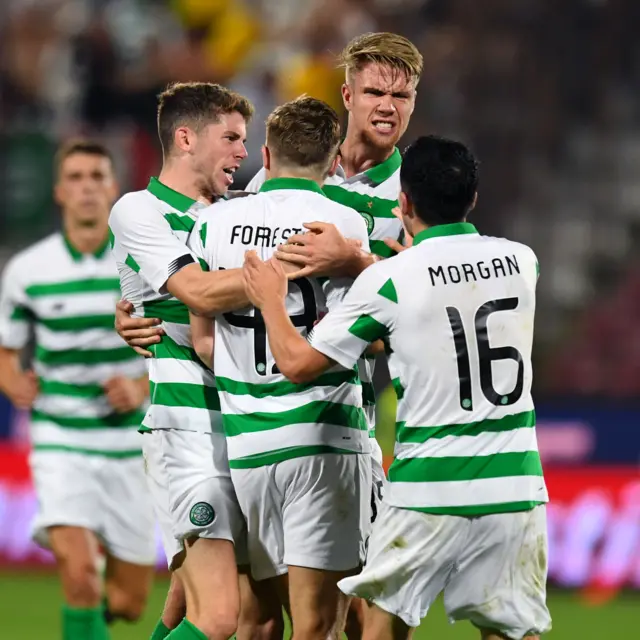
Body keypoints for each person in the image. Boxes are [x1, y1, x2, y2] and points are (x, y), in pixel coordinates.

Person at [242, 135, 552, 640]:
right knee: (512, 632)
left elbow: (298, 363)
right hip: (515, 487)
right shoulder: (523, 262)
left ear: (403, 203)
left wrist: (272, 301)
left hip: (427, 490)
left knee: (380, 629)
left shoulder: (389, 280)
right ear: (472, 198)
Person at [188, 96, 372, 640]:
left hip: (247, 448)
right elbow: (371, 334)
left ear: (265, 154)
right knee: (319, 625)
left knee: (257, 622)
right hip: (323, 442)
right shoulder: (345, 226)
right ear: (334, 159)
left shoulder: (213, 224)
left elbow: (203, 343)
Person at [109, 82, 281, 640]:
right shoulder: (140, 210)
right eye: (230, 138)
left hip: (246, 421)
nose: (241, 152)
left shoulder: (238, 212)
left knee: (205, 606)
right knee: (220, 618)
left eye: (246, 140)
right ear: (185, 138)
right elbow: (199, 294)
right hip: (185, 422)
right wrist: (287, 270)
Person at [0, 140, 154, 640]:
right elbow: (7, 350)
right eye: (76, 178)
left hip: (130, 445)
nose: (87, 187)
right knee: (79, 573)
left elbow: (182, 342)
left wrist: (141, 386)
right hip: (59, 439)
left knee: (129, 603)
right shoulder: (27, 271)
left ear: (112, 188)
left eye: (96, 176)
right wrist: (12, 381)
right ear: (59, 192)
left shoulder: (142, 265)